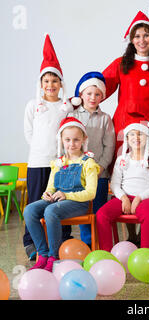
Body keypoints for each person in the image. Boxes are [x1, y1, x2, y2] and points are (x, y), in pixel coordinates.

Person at [102, 10, 149, 243]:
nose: (142, 40)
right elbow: (101, 87)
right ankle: (131, 234)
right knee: (124, 174)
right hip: (126, 129)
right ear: (131, 40)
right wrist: (78, 100)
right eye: (137, 36)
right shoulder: (121, 64)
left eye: (146, 35)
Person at [23, 117, 100, 272]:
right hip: (57, 200)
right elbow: (51, 186)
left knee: (51, 211)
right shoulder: (58, 163)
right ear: (62, 140)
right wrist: (47, 193)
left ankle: (53, 256)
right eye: (68, 140)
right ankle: (42, 254)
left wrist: (67, 195)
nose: (72, 144)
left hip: (78, 203)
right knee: (30, 210)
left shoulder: (88, 163)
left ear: (84, 140)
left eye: (76, 140)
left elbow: (91, 193)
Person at [23, 33, 74, 260]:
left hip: (61, 164)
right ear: (41, 84)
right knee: (36, 202)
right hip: (38, 162)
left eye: (54, 81)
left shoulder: (66, 107)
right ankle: (32, 243)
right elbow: (29, 133)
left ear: (60, 83)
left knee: (59, 201)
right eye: (46, 81)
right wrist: (40, 151)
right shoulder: (33, 105)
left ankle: (62, 240)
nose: (50, 85)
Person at [96, 120, 149, 251]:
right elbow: (115, 184)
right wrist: (124, 198)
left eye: (140, 134)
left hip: (146, 199)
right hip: (123, 198)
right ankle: (106, 252)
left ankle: (146, 252)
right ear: (127, 138)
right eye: (132, 134)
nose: (136, 138)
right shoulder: (122, 159)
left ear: (147, 137)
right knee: (101, 214)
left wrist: (139, 198)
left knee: (148, 215)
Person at [68, 71, 115, 247]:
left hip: (99, 174)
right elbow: (68, 142)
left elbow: (109, 146)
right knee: (83, 211)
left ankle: (101, 244)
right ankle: (87, 244)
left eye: (97, 94)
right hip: (79, 174)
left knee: (99, 210)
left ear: (102, 97)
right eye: (89, 94)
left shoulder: (105, 119)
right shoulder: (73, 115)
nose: (92, 98)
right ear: (81, 95)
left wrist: (101, 167)